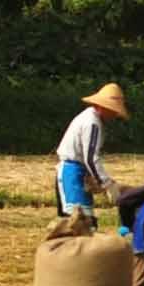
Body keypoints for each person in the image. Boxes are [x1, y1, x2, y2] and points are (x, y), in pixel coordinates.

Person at [51, 82, 128, 228]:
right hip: (72, 174)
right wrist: (105, 183)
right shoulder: (92, 123)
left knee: (81, 223)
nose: (114, 114)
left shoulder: (90, 117)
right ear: (103, 107)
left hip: (78, 172)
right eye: (113, 110)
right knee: (80, 224)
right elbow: (91, 158)